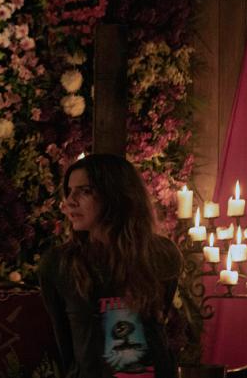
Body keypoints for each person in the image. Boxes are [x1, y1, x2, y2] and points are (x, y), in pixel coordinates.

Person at [38, 154, 181, 377]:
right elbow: (63, 341)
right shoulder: (59, 263)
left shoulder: (162, 254)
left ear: (116, 195)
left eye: (85, 191)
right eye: (69, 191)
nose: (70, 201)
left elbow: (158, 324)